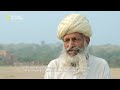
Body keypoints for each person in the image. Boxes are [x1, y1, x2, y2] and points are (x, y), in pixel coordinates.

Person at [44, 13, 111, 79]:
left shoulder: (100, 66)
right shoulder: (54, 66)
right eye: (67, 40)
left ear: (87, 41)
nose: (70, 45)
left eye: (75, 39)